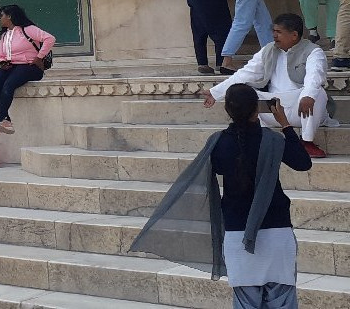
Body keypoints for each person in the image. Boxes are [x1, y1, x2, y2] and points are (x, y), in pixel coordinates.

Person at [130, 84, 311, 308]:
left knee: (245, 303)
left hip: (237, 234)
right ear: (257, 110)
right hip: (277, 232)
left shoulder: (217, 143)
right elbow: (303, 163)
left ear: (228, 111)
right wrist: (284, 124)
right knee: (282, 301)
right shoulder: (273, 140)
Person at [205, 13, 335, 158]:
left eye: (278, 32)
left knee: (318, 94)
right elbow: (245, 73)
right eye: (273, 31)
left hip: (301, 108)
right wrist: (215, 92)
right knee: (244, 93)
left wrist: (308, 95)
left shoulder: (313, 51)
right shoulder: (268, 50)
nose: (274, 35)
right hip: (273, 108)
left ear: (294, 35)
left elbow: (314, 76)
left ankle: (306, 142)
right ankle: (259, 139)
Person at [0, 5, 55, 136]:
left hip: (30, 67)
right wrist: (2, 62)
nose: (0, 18)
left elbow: (50, 39)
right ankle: (6, 120)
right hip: (11, 66)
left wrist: (39, 57)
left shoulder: (28, 29)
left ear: (9, 16)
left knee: (8, 85)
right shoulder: (4, 35)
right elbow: (0, 53)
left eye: (2, 15)